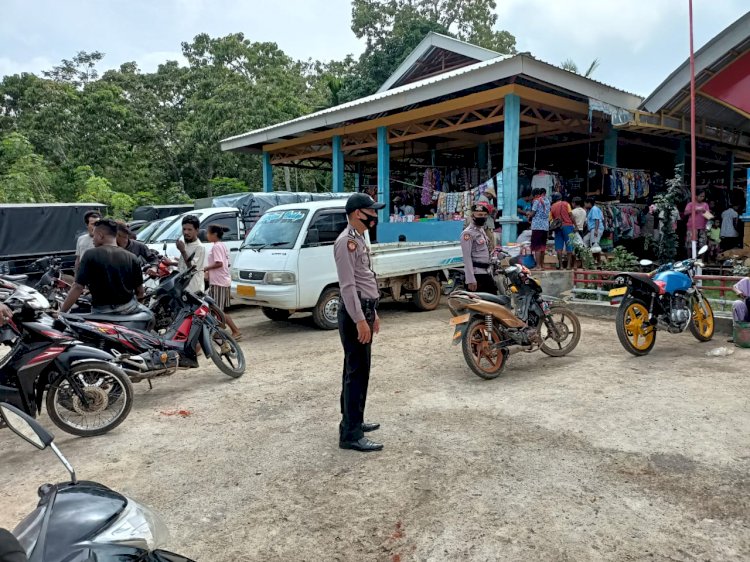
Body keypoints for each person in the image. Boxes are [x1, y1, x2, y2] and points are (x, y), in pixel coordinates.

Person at [334, 193, 385, 453]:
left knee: (355, 370)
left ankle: (353, 421)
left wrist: (372, 313)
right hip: (355, 314)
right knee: (357, 372)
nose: (374, 217)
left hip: (364, 310)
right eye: (371, 212)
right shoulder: (346, 242)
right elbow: (348, 285)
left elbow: (365, 279)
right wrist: (359, 321)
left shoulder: (357, 239)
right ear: (357, 213)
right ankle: (350, 434)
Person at [61, 218, 145, 314]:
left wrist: (61, 312)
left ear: (100, 236)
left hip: (102, 312)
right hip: (128, 310)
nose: (93, 238)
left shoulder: (90, 255)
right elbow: (140, 292)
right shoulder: (132, 257)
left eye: (94, 235)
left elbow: (77, 287)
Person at [204, 224, 242, 340]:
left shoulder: (216, 247)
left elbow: (219, 263)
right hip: (220, 280)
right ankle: (218, 331)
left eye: (208, 233)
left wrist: (205, 268)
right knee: (212, 308)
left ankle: (235, 331)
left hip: (219, 282)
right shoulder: (222, 246)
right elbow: (227, 263)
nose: (207, 236)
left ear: (214, 234)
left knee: (218, 310)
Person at [460, 203, 496, 294]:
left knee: (493, 302)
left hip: (486, 272)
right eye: (479, 215)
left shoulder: (481, 231)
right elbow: (467, 258)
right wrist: (470, 279)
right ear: (472, 216)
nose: (482, 217)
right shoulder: (467, 233)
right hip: (476, 274)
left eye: (484, 215)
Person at [176, 215, 206, 295]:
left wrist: (182, 251)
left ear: (197, 230)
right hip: (182, 287)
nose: (186, 232)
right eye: (184, 229)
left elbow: (192, 269)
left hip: (193, 290)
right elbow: (183, 263)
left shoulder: (199, 247)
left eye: (189, 229)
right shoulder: (185, 243)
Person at [550, 193, 576, 269]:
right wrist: (576, 226)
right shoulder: (566, 204)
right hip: (568, 226)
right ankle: (568, 266)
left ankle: (561, 266)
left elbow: (550, 219)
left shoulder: (552, 206)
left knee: (559, 247)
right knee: (570, 245)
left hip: (558, 228)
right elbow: (571, 215)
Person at [528, 188, 551, 271]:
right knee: (542, 247)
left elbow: (533, 213)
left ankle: (538, 266)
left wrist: (529, 214)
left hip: (537, 226)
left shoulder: (536, 201)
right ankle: (541, 265)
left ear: (534, 195)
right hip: (545, 226)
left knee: (537, 247)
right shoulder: (547, 201)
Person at [584, 197, 604, 265]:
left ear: (589, 203)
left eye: (585, 204)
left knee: (595, 245)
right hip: (592, 229)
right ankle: (592, 260)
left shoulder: (594, 209)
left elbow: (597, 220)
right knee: (585, 240)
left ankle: (598, 262)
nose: (585, 205)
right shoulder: (590, 210)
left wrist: (596, 230)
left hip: (596, 228)